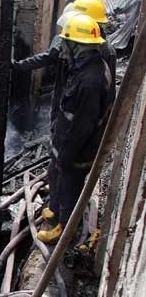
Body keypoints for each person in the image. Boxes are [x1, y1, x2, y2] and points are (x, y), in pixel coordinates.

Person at [37, 14, 114, 244]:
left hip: (78, 149)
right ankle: (56, 210)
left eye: (67, 44)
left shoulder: (90, 82)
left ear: (78, 46)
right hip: (67, 142)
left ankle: (64, 232)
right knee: (59, 178)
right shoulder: (85, 68)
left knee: (70, 187)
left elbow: (82, 127)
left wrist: (66, 156)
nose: (63, 49)